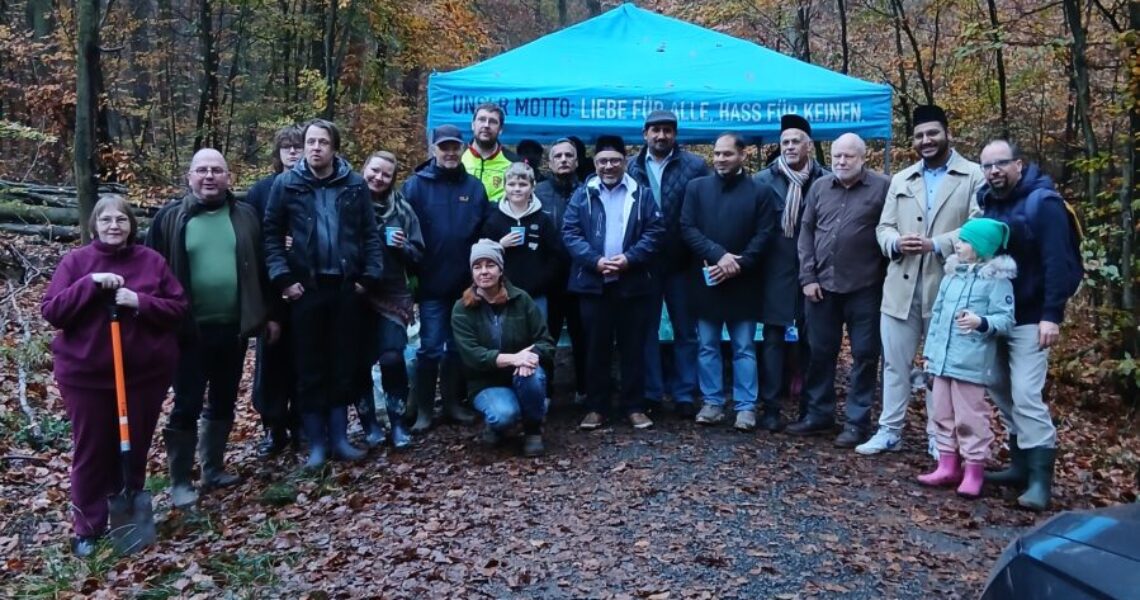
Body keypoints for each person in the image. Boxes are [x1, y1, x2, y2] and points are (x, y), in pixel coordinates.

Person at [43, 196, 188, 556]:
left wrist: (137, 301)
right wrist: (90, 284)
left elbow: (178, 308)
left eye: (121, 220)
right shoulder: (77, 263)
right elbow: (53, 311)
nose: (114, 226)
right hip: (86, 376)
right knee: (92, 450)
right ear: (94, 226)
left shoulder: (151, 261)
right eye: (106, 220)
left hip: (143, 376)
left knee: (132, 447)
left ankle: (126, 520)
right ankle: (87, 527)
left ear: (131, 226)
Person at [147, 148, 273, 506]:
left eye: (217, 170)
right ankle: (180, 480)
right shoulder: (170, 218)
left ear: (229, 177)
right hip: (187, 331)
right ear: (189, 177)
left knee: (223, 399)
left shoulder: (246, 216)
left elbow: (264, 270)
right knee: (186, 402)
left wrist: (269, 315)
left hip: (233, 328)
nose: (209, 176)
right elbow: (149, 268)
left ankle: (212, 467)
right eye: (201, 170)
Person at [857, 105, 984, 458]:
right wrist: (895, 243)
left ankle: (938, 437)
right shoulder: (902, 179)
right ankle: (889, 430)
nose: (926, 141)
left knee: (939, 369)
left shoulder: (973, 176)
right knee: (895, 364)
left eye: (932, 133)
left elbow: (978, 227)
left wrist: (938, 244)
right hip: (901, 286)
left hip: (948, 288)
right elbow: (883, 227)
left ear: (947, 133)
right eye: (919, 136)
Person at [263, 119, 383, 469]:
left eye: (323, 142)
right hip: (306, 290)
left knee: (342, 365)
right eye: (310, 142)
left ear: (335, 148)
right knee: (309, 367)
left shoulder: (355, 185)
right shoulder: (286, 184)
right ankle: (316, 445)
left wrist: (369, 278)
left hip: (345, 288)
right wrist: (283, 278)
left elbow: (370, 235)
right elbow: (271, 235)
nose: (315, 147)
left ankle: (341, 439)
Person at [977, 139, 1077, 511]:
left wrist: (1052, 315)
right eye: (987, 166)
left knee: (1026, 393)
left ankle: (1039, 480)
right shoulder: (987, 199)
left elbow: (1058, 262)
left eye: (1001, 164)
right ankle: (1019, 465)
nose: (993, 171)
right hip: (996, 314)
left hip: (1032, 315)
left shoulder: (1044, 203)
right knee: (997, 384)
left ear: (1019, 164)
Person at [791, 133, 890, 447]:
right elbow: (805, 232)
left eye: (848, 156)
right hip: (822, 288)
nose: (842, 162)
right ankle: (819, 414)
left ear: (863, 157)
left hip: (866, 286)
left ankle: (856, 422)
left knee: (864, 355)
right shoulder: (820, 187)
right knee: (820, 352)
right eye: (837, 157)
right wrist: (807, 277)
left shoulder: (883, 188)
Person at [563, 135, 664, 430]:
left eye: (615, 161)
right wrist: (594, 260)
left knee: (633, 346)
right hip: (593, 283)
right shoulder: (582, 194)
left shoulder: (642, 194)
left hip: (631, 282)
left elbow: (655, 232)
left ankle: (634, 406)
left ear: (625, 162)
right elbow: (570, 233)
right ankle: (597, 407)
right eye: (603, 161)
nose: (609, 166)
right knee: (596, 347)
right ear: (594, 164)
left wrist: (630, 258)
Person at [680, 133, 776, 431]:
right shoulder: (696, 188)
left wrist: (739, 264)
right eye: (717, 154)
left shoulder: (760, 192)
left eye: (727, 154)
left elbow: (765, 235)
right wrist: (719, 255)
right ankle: (712, 402)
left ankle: (745, 406)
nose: (720, 159)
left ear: (742, 155)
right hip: (708, 279)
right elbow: (687, 227)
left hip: (743, 282)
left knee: (744, 347)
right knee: (707, 345)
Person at [403, 124, 493, 432]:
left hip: (466, 285)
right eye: (444, 147)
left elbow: (484, 232)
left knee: (458, 348)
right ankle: (425, 410)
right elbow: (406, 234)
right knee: (430, 347)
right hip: (430, 285)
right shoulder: (415, 186)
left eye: (455, 146)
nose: (450, 152)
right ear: (433, 150)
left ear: (462, 148)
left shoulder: (474, 187)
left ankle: (453, 403)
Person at [918, 218, 1016, 498]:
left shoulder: (996, 282)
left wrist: (980, 321)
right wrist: (929, 354)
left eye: (964, 241)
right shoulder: (952, 276)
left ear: (980, 247)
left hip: (971, 363)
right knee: (941, 412)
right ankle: (947, 464)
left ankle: (974, 470)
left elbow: (1005, 320)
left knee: (970, 417)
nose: (958, 245)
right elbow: (937, 317)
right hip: (941, 360)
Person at [627, 110, 710, 418]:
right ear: (644, 133)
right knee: (646, 331)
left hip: (682, 262)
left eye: (667, 130)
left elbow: (705, 209)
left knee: (686, 331)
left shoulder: (695, 166)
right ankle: (651, 392)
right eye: (655, 130)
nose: (661, 136)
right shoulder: (631, 168)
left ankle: (685, 393)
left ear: (675, 134)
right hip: (644, 263)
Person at [754, 114, 829, 431]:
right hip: (775, 269)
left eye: (796, 141)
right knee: (772, 339)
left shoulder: (826, 180)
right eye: (784, 142)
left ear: (808, 145)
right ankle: (770, 408)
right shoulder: (762, 180)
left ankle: (811, 410)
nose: (789, 147)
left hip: (815, 271)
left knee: (813, 341)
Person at [452, 239, 556, 456]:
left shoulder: (522, 299)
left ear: (500, 269)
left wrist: (530, 356)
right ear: (471, 272)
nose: (484, 272)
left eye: (490, 265)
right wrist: (513, 358)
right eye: (477, 266)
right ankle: (500, 424)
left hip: (523, 373)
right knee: (503, 415)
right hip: (485, 382)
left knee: (532, 376)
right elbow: (473, 355)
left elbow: (545, 341)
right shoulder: (462, 308)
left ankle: (533, 430)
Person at [243, 124, 303, 457]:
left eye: (298, 147)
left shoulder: (314, 187)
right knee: (271, 365)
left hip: (308, 289)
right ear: (278, 153)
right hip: (271, 293)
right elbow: (253, 241)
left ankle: (302, 425)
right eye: (287, 148)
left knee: (304, 361)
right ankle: (272, 427)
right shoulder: (261, 191)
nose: (293, 153)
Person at [359, 150, 424, 450]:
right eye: (374, 171)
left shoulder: (402, 210)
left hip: (392, 294)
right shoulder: (347, 203)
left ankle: (397, 423)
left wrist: (403, 247)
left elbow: (419, 256)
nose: (378, 178)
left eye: (386, 174)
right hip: (355, 292)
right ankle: (369, 425)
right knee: (357, 362)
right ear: (364, 170)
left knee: (392, 357)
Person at [535, 138, 587, 401]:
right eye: (558, 156)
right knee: (546, 337)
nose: (564, 160)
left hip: (582, 277)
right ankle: (544, 390)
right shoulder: (538, 192)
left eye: (569, 155)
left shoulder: (589, 190)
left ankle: (584, 389)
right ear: (550, 161)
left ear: (577, 161)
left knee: (583, 336)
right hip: (548, 279)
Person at [481, 162, 563, 317]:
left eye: (522, 184)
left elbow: (556, 256)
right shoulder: (494, 220)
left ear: (532, 187)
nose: (517, 189)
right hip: (501, 293)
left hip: (536, 295)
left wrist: (542, 283)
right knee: (504, 339)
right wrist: (500, 246)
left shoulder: (543, 220)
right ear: (504, 187)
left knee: (537, 338)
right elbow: (481, 256)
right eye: (511, 184)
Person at [462, 103, 520, 202]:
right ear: (473, 125)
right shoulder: (459, 158)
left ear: (500, 129)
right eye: (482, 119)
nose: (486, 125)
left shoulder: (514, 163)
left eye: (493, 122)